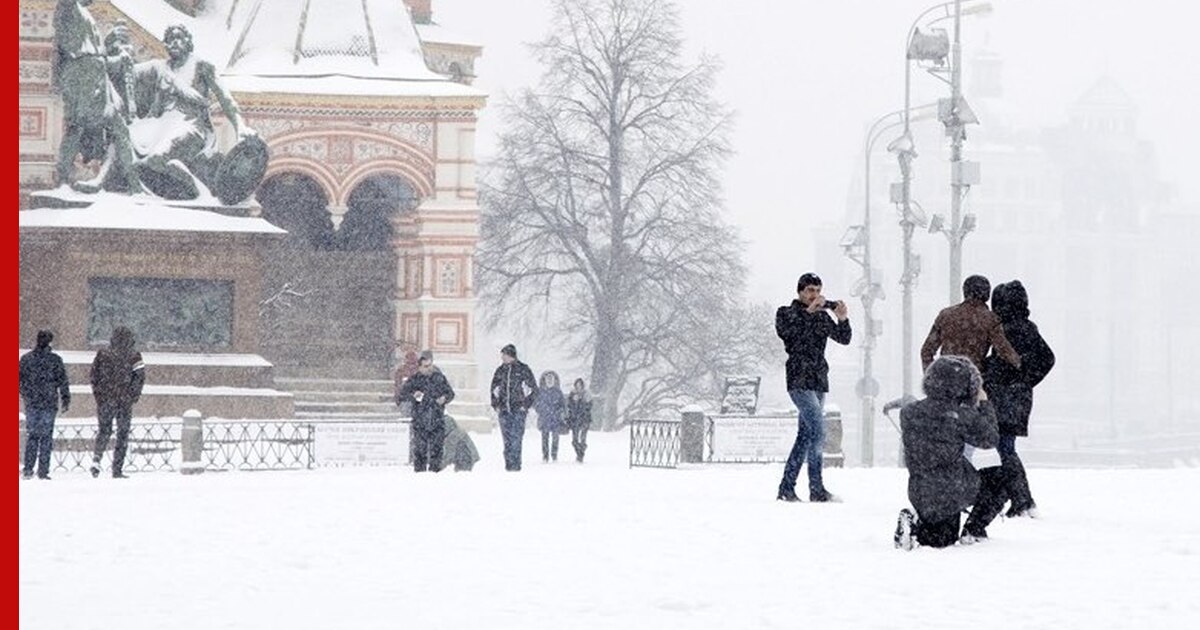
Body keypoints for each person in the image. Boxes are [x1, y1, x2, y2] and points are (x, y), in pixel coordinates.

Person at [962, 281, 1056, 536]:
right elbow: (1046, 359)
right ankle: (1021, 500)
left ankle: (1022, 500)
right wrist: (1026, 380)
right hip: (1018, 397)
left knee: (1004, 448)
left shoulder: (1007, 329)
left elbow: (1006, 362)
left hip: (1005, 397)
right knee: (1006, 447)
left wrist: (1007, 375)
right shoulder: (1027, 328)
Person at [130, 23, 256, 200]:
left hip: (190, 125)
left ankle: (199, 192)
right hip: (160, 124)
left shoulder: (202, 66)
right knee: (125, 141)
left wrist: (241, 127)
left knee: (156, 159)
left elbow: (225, 99)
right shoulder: (159, 67)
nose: (174, 43)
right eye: (170, 39)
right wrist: (115, 50)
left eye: (179, 38)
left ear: (188, 42)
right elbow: (127, 71)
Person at [894, 356, 1000, 550]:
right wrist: (984, 404)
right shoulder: (962, 416)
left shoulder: (909, 412)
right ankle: (973, 529)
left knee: (936, 536)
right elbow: (990, 439)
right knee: (1000, 478)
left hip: (920, 488)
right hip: (952, 488)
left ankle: (915, 522)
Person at [775, 273, 852, 503]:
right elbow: (790, 335)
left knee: (806, 434)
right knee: (818, 430)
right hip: (798, 379)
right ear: (799, 292)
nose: (814, 295)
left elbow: (843, 338)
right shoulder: (786, 313)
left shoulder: (821, 317)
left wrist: (842, 318)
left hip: (818, 379)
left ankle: (787, 487)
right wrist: (809, 313)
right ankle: (816, 488)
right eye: (810, 290)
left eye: (818, 291)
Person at [52, 0, 141, 193]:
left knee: (79, 127)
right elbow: (88, 55)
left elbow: (95, 56)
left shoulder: (82, 12)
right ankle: (134, 182)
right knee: (112, 128)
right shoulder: (71, 7)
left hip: (91, 76)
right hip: (87, 78)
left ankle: (63, 177)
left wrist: (109, 44)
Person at [920, 274, 1021, 372]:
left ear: (965, 292)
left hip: (947, 375)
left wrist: (933, 375)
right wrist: (1019, 364)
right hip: (972, 375)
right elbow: (1004, 350)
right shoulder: (990, 319)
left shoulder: (945, 315)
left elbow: (926, 351)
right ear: (987, 295)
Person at [89, 326, 145, 478]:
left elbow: (94, 376)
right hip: (124, 401)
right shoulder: (134, 355)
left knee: (104, 431)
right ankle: (117, 468)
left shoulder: (103, 354)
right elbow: (139, 377)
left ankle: (97, 459)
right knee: (122, 434)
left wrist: (99, 395)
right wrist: (133, 396)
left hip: (106, 400)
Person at [19, 330, 71, 480]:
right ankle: (43, 470)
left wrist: (26, 393)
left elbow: (19, 379)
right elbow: (63, 381)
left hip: (33, 402)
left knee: (32, 435)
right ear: (50, 342)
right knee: (46, 436)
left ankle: (28, 468)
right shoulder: (55, 360)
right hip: (49, 402)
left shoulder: (26, 359)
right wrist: (65, 398)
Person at [396, 350, 455, 473]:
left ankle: (435, 473)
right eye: (425, 366)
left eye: (430, 365)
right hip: (420, 418)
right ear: (419, 367)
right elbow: (402, 394)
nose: (428, 369)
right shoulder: (414, 379)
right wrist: (413, 395)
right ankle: (420, 474)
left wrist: (444, 398)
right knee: (420, 450)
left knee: (436, 449)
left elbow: (450, 393)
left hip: (437, 417)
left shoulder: (439, 378)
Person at [490, 344, 537, 471]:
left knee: (516, 439)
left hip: (518, 411)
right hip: (504, 411)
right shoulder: (500, 371)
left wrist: (525, 405)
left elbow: (533, 390)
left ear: (511, 356)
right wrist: (496, 405)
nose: (502, 358)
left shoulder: (523, 370)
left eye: (504, 355)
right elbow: (494, 389)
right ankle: (509, 465)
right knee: (507, 441)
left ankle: (516, 466)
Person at [534, 371, 567, 463]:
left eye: (551, 379)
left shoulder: (558, 392)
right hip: (544, 419)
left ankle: (554, 455)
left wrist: (560, 412)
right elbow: (535, 403)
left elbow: (563, 404)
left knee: (555, 438)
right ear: (544, 380)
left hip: (556, 419)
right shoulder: (540, 392)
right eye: (547, 379)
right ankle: (545, 456)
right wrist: (540, 410)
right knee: (544, 438)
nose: (549, 380)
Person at [566, 378, 593, 463]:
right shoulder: (572, 394)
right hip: (574, 420)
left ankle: (580, 455)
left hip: (584, 419)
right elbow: (569, 406)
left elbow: (589, 407)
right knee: (574, 440)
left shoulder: (587, 395)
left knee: (583, 439)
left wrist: (581, 402)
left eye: (580, 385)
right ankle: (579, 453)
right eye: (577, 385)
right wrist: (574, 401)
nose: (578, 387)